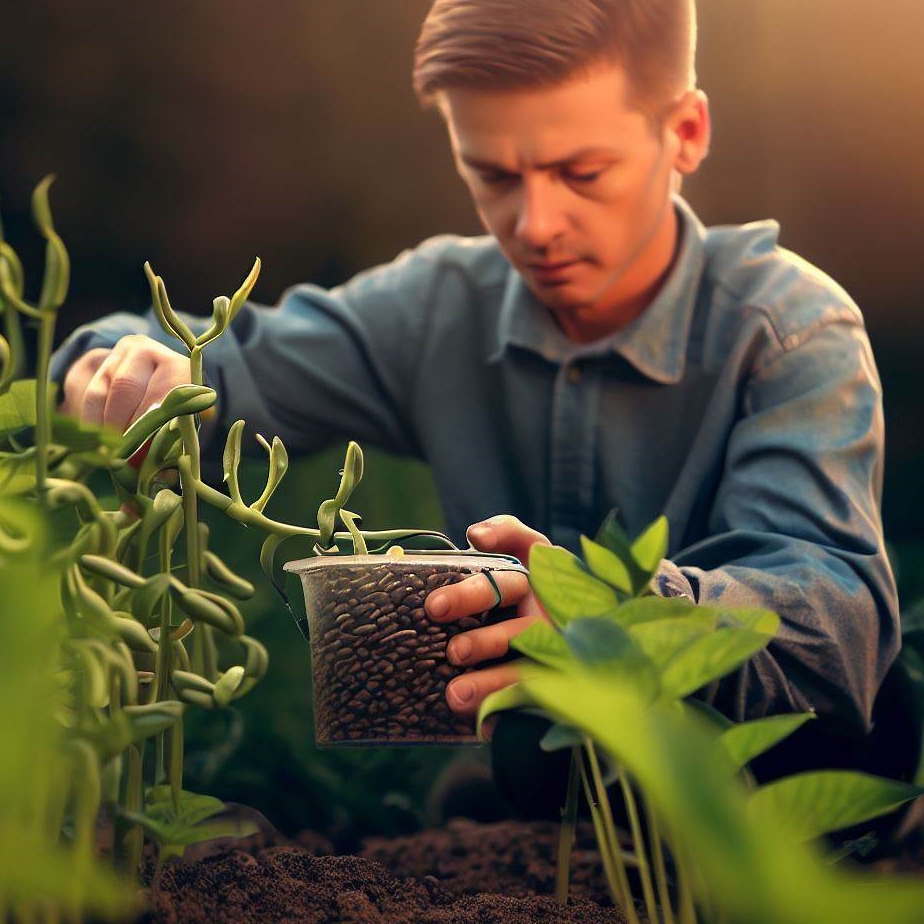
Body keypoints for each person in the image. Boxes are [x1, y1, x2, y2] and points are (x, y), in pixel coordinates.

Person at [51, 0, 916, 789]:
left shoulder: (788, 327)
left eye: (582, 172)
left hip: (782, 829)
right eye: (494, 177)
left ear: (685, 132)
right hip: (543, 819)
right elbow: (224, 364)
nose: (534, 226)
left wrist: (606, 616)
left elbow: (833, 631)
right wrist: (121, 364)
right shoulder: (437, 307)